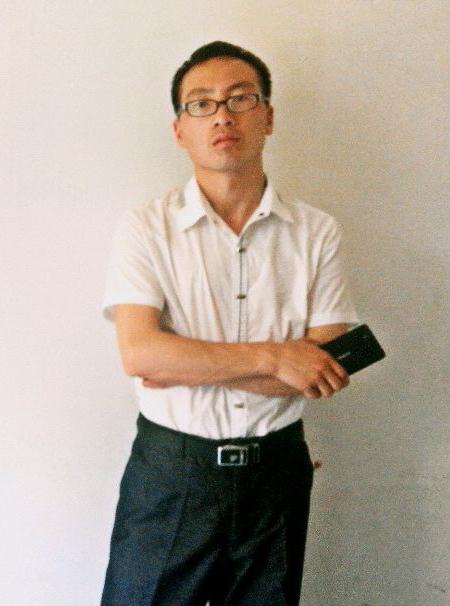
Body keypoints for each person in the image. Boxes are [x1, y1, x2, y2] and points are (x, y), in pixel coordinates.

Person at [100, 41, 359, 606]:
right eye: (202, 104)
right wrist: (277, 357)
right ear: (180, 130)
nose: (222, 115)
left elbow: (325, 365)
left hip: (277, 473)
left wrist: (185, 365)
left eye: (241, 98)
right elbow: (140, 354)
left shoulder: (317, 232)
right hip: (172, 472)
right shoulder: (145, 228)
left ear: (268, 116)